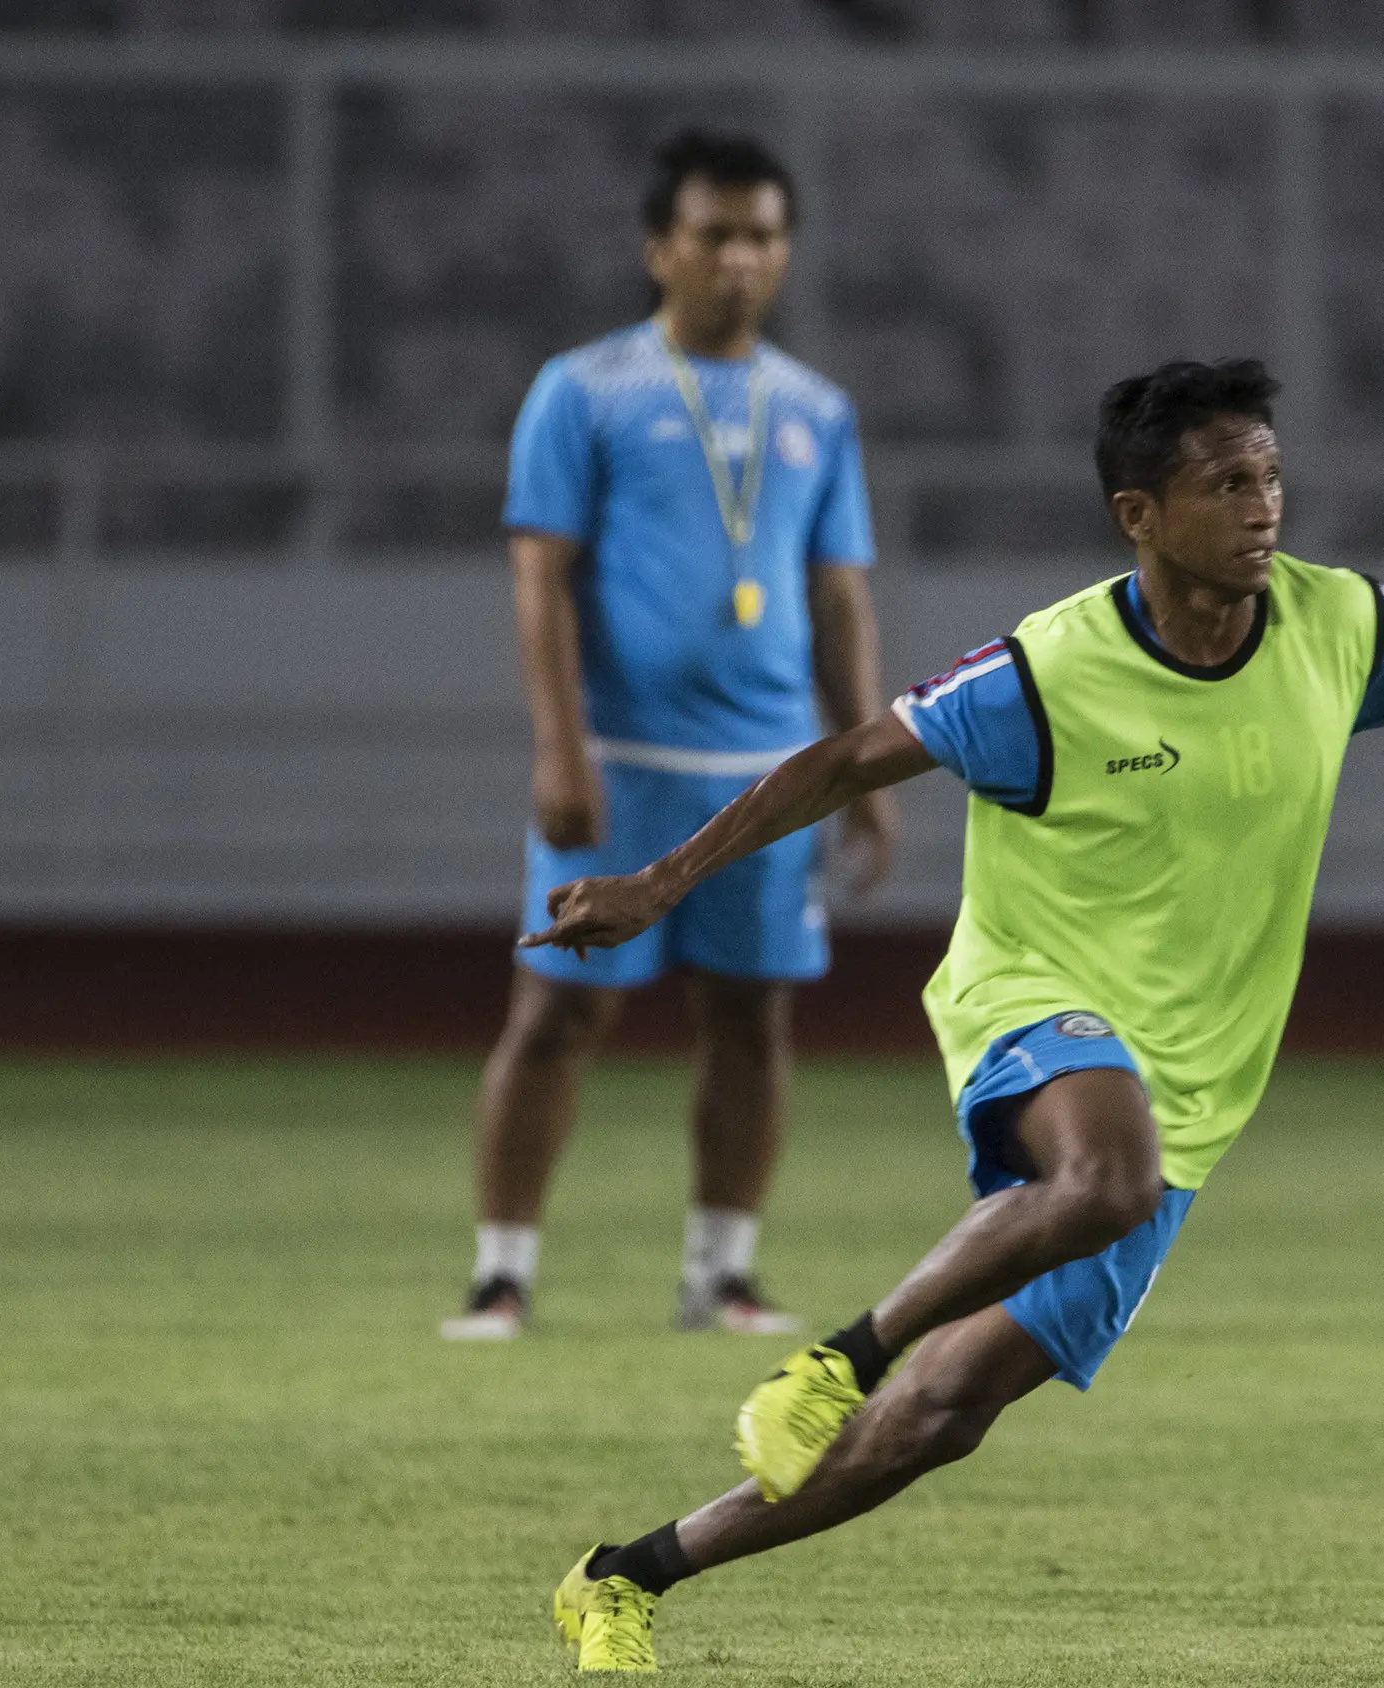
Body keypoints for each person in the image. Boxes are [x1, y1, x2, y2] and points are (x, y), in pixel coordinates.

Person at [523, 358, 1384, 1669]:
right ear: (1140, 515)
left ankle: (624, 1576)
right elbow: (843, 760)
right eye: (1227, 482)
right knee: (1104, 1175)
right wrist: (660, 882)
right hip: (1033, 994)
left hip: (1198, 1083)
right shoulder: (1046, 673)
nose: (1264, 506)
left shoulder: (1340, 625)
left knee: (945, 1413)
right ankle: (835, 1360)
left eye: (1272, 474)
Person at [442, 129, 893, 1343]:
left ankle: (722, 1276)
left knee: (752, 1015)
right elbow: (540, 576)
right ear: (660, 249)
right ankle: (501, 1274)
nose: (741, 259)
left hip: (771, 769)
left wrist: (869, 767)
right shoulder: (583, 390)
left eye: (763, 236)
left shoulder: (817, 409)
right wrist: (560, 745)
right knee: (557, 1010)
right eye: (715, 235)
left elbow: (841, 593)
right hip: (626, 762)